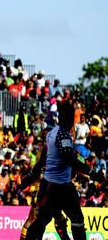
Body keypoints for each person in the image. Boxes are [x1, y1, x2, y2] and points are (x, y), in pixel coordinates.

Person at [25, 103, 90, 240]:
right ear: (69, 118)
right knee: (76, 219)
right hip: (61, 185)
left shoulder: (52, 133)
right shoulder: (63, 135)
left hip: (49, 184)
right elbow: (69, 159)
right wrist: (91, 172)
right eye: (71, 117)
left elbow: (43, 159)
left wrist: (31, 175)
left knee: (43, 220)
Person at [19, 126, 70, 240]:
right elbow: (38, 170)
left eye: (47, 135)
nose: (45, 138)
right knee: (35, 219)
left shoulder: (52, 150)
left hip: (52, 187)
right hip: (41, 188)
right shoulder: (44, 151)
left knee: (51, 217)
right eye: (44, 136)